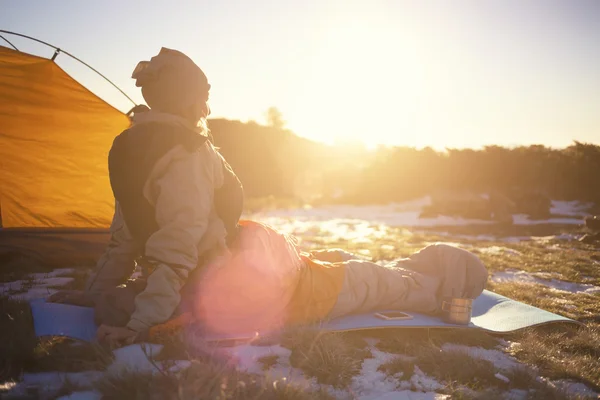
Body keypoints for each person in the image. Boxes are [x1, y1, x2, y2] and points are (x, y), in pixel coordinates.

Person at [50, 47, 244, 346]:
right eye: (203, 97)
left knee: (327, 285)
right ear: (190, 100)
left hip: (235, 263)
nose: (207, 106)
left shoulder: (133, 143)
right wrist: (97, 295)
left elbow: (169, 243)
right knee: (114, 307)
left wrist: (140, 325)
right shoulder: (176, 151)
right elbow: (139, 235)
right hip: (205, 265)